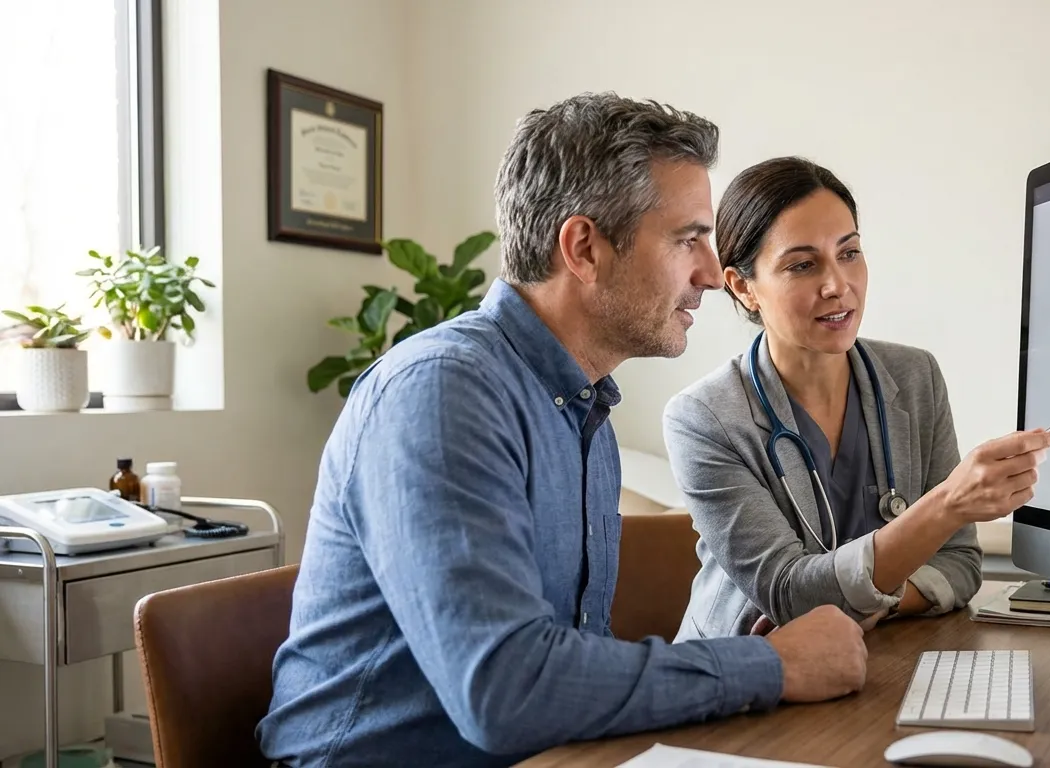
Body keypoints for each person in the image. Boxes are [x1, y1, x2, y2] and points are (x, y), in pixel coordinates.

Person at [256, 99, 869, 768]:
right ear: (583, 248)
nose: (708, 273)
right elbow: (506, 693)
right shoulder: (441, 393)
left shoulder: (584, 408)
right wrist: (769, 667)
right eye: (687, 238)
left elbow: (563, 668)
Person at [662, 157, 1050, 640]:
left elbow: (959, 563)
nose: (838, 285)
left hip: (876, 655)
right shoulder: (703, 420)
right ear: (744, 287)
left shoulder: (915, 377)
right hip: (744, 676)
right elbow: (789, 596)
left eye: (848, 253)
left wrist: (872, 606)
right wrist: (949, 504)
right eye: (802, 265)